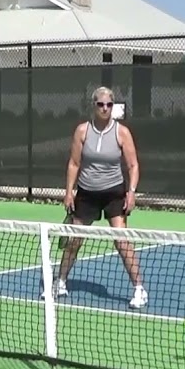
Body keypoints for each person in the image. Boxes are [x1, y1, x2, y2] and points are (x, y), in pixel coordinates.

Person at [48, 86, 148, 309]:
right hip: (87, 193)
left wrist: (131, 193)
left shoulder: (122, 133)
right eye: (101, 104)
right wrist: (68, 192)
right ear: (93, 106)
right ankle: (61, 282)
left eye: (109, 105)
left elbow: (133, 165)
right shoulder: (82, 131)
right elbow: (74, 163)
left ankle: (139, 289)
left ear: (113, 107)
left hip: (114, 193)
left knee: (121, 241)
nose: (105, 108)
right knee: (74, 240)